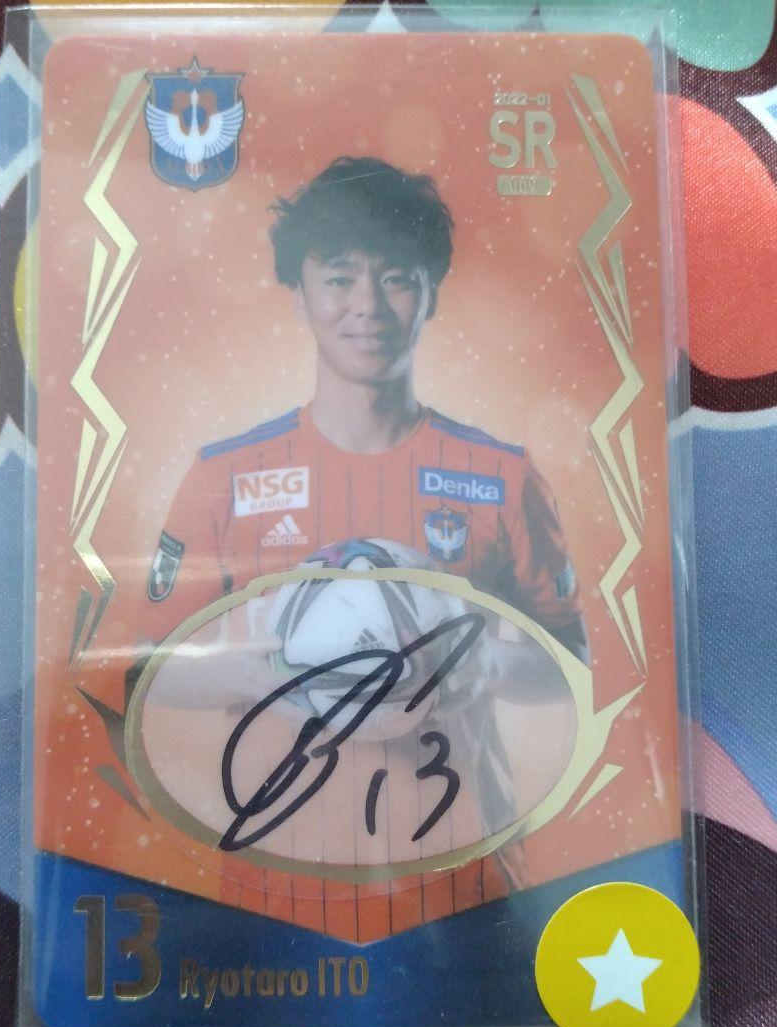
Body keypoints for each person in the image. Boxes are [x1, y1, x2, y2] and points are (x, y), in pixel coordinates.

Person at [139, 156, 587, 711]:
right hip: (272, 771)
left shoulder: (504, 477)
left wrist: (488, 661)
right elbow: (144, 668)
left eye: (396, 279)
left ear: (432, 294)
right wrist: (243, 676)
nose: (368, 306)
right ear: (299, 296)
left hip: (453, 771)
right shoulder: (222, 478)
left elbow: (573, 663)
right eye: (339, 279)